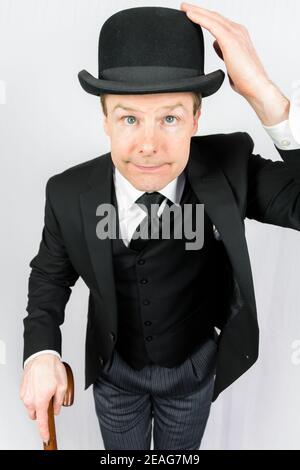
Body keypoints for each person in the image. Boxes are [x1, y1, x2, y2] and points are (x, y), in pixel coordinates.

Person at [20, 4, 300, 450]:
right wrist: (42, 353)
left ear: (195, 119)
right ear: (105, 120)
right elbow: (50, 276)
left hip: (193, 374)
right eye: (129, 118)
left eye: (169, 118)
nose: (148, 145)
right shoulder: (67, 192)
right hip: (114, 374)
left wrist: (267, 96)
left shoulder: (230, 169)